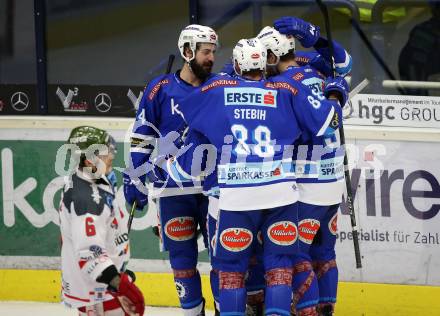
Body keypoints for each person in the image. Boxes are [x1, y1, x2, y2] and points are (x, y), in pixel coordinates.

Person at [161, 37, 348, 315]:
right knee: (280, 269)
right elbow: (328, 123)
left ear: (236, 64)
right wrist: (335, 94)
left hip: (237, 199)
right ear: (265, 62)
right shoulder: (287, 88)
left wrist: (169, 168)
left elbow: (193, 136)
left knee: (231, 272)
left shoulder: (217, 90)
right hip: (281, 196)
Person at [124, 24, 218, 316]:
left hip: (214, 189)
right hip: (172, 191)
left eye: (213, 52)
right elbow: (142, 134)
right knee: (182, 261)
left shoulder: (220, 86)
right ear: (187, 51)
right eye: (205, 52)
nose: (211, 58)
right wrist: (136, 174)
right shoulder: (160, 89)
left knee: (224, 259)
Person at [259, 19, 352, 316]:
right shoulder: (311, 68)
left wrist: (315, 38)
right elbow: (344, 64)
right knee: (323, 252)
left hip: (307, 183)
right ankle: (326, 311)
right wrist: (319, 42)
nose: (258, 63)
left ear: (274, 55)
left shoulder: (278, 84)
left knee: (295, 255)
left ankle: (310, 313)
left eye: (263, 56)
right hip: (331, 179)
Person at [59, 126, 145, 316]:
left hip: (101, 285)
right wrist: (118, 283)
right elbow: (90, 253)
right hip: (97, 291)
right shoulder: (87, 199)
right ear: (90, 159)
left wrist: (118, 273)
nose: (111, 156)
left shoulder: (90, 178)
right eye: (105, 153)